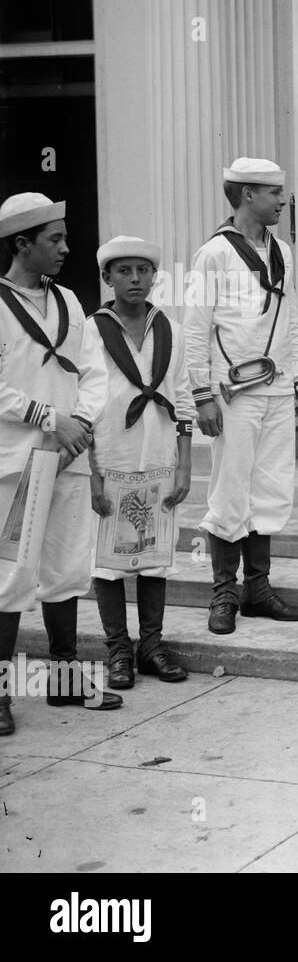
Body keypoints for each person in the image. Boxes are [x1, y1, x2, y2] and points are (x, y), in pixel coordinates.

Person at [0, 192, 118, 736]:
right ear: (22, 245)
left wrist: (81, 426)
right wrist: (51, 418)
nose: (67, 248)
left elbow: (94, 373)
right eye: (56, 240)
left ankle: (65, 679)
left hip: (68, 457)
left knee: (67, 569)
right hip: (17, 464)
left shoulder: (71, 301)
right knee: (10, 577)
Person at [185, 158, 298, 635]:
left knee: (270, 487)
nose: (282, 201)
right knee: (230, 488)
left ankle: (257, 590)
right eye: (274, 193)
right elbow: (196, 330)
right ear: (246, 196)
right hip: (232, 394)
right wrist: (200, 396)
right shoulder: (214, 254)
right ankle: (224, 593)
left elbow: (294, 322)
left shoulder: (283, 250)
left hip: (279, 391)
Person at [87, 236, 194, 689]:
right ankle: (118, 648)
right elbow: (85, 400)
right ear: (107, 277)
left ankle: (151, 644)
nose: (135, 279)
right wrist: (91, 471)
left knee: (154, 555)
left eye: (143, 271)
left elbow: (183, 397)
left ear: (154, 276)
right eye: (124, 271)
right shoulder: (91, 330)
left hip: (159, 456)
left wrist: (185, 463)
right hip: (111, 455)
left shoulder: (168, 327)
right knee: (108, 559)